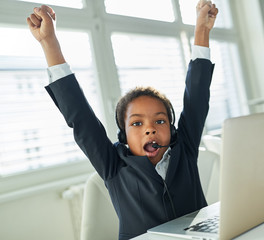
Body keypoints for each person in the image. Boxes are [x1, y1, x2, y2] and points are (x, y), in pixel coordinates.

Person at [27, 1, 218, 239]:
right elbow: (80, 116)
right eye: (137, 124)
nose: (150, 129)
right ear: (123, 135)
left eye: (159, 121)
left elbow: (197, 96)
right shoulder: (113, 165)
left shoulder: (185, 151)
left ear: (172, 128)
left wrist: (202, 30)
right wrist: (49, 41)